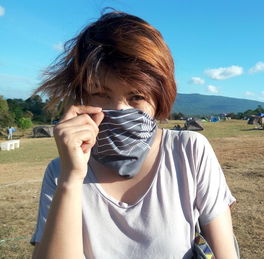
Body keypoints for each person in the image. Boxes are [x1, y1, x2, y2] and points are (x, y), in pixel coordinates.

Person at [31, 10, 238, 259]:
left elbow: (225, 253)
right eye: (101, 93)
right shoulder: (60, 172)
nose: (119, 109)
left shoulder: (189, 151)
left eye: (136, 96)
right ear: (81, 96)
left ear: (159, 97)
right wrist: (71, 180)